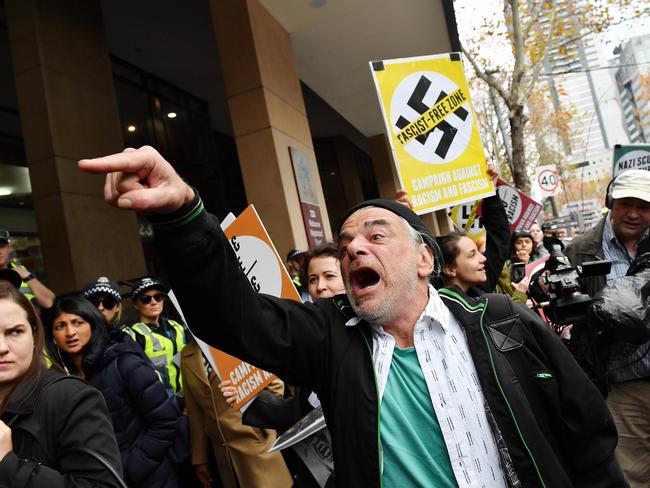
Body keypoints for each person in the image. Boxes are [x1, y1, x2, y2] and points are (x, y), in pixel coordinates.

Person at [79, 145, 627, 488]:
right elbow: (230, 315)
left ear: (424, 259)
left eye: (375, 235)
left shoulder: (501, 323)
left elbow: (589, 437)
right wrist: (182, 216)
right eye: (345, 243)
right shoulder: (330, 336)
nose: (354, 249)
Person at [563, 169, 650, 487]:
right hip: (623, 388)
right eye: (627, 203)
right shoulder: (580, 250)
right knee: (634, 475)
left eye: (644, 206)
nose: (634, 213)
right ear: (610, 204)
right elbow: (571, 319)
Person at [46, 296, 181, 488]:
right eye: (60, 326)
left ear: (93, 324)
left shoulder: (125, 363)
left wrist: (130, 469)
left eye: (78, 323)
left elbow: (166, 421)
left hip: (150, 478)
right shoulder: (57, 381)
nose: (70, 332)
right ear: (52, 335)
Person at [0, 284, 123, 487]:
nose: (2, 348)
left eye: (15, 332)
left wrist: (9, 464)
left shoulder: (70, 398)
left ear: (34, 336)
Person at [181, 338, 292, 488]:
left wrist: (263, 427)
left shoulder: (234, 337)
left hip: (257, 444)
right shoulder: (187, 354)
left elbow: (274, 384)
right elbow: (195, 413)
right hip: (224, 460)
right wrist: (200, 459)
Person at [126, 277, 187, 394]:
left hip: (189, 397)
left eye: (158, 297)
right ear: (135, 304)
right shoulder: (132, 335)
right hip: (160, 401)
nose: (154, 302)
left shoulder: (177, 327)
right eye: (145, 299)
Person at [0, 229, 55, 309]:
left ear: (9, 248)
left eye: (1, 246)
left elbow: (48, 302)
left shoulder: (21, 270)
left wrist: (27, 276)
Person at [496, 230, 536, 304]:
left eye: (527, 242)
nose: (524, 245)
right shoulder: (506, 264)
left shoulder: (537, 260)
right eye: (519, 242)